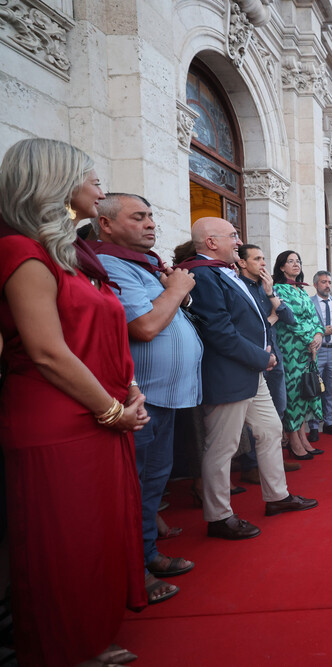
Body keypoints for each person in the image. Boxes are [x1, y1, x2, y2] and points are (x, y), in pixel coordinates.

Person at [0, 138, 148, 665]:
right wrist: (112, 410)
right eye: (89, 175)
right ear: (55, 181)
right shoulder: (21, 250)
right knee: (63, 546)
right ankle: (64, 649)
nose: (98, 185)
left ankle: (86, 637)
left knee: (92, 540)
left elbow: (97, 334)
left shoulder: (67, 254)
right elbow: (45, 349)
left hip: (96, 414)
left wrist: (128, 388)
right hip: (59, 419)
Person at [92, 192, 202, 604]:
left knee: (154, 479)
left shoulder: (147, 265)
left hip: (166, 395)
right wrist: (175, 288)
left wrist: (176, 289)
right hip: (139, 398)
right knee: (133, 485)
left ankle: (148, 553)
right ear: (105, 224)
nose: (151, 223)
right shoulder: (108, 263)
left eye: (152, 216)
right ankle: (132, 570)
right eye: (138, 217)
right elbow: (145, 326)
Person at [182, 218, 317, 540]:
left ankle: (277, 497)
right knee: (222, 446)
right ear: (211, 242)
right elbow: (219, 331)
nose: (238, 241)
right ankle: (219, 516)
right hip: (229, 373)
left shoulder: (223, 272)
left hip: (251, 370)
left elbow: (251, 318)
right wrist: (262, 356)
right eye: (232, 236)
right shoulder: (203, 274)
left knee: (271, 429)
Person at [236, 244, 301, 483]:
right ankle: (252, 464)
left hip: (276, 357)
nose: (263, 263)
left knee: (279, 409)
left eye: (264, 258)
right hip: (253, 358)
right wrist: (270, 319)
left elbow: (289, 317)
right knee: (253, 418)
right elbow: (249, 324)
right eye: (257, 258)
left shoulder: (265, 289)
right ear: (242, 263)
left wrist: (271, 294)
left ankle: (272, 458)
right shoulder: (240, 288)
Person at [272, 250, 326, 459]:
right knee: (293, 394)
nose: (296, 264)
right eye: (290, 261)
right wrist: (309, 339)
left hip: (308, 349)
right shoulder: (278, 289)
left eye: (298, 261)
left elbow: (313, 317)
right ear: (281, 267)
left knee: (306, 392)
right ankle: (293, 441)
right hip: (291, 348)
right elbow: (289, 318)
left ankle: (303, 437)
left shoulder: (302, 290)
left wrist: (319, 335)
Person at [308, 270, 332, 439]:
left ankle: (330, 423)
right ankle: (314, 426)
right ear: (316, 284)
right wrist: (320, 331)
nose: (327, 285)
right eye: (323, 282)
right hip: (317, 351)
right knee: (315, 388)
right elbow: (306, 325)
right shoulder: (309, 303)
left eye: (329, 282)